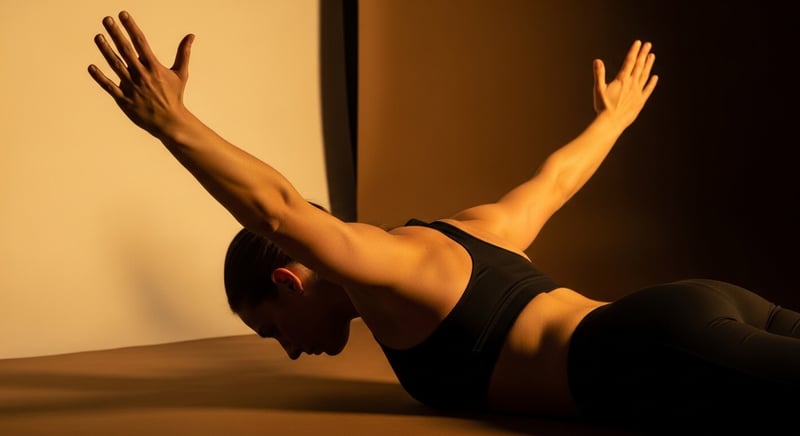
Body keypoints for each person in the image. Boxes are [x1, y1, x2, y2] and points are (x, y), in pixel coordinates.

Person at [88, 11, 798, 431]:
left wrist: (174, 125)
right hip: (696, 308)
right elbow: (552, 184)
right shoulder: (460, 233)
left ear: (288, 279)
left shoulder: (387, 273)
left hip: (654, 354)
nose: (290, 352)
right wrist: (612, 119)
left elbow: (276, 207)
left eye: (273, 329)